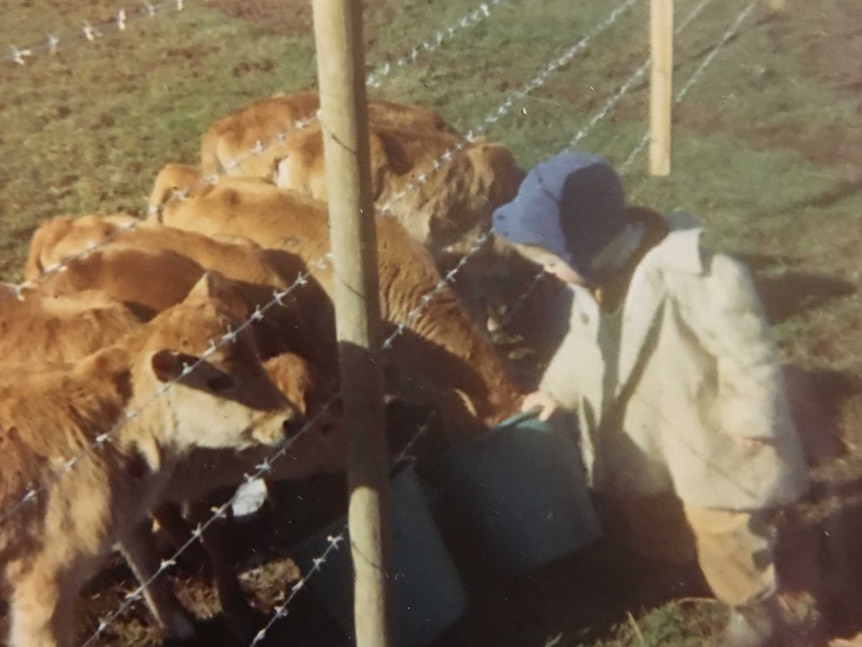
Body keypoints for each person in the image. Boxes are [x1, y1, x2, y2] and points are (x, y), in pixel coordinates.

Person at [491, 151, 810, 647]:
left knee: (722, 526)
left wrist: (750, 415)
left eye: (553, 262)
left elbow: (748, 352)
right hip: (643, 425)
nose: (551, 274)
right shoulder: (592, 285)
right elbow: (583, 344)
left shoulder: (702, 275)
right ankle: (673, 569)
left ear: (585, 245)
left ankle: (755, 610)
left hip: (711, 432)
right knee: (646, 505)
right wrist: (556, 389)